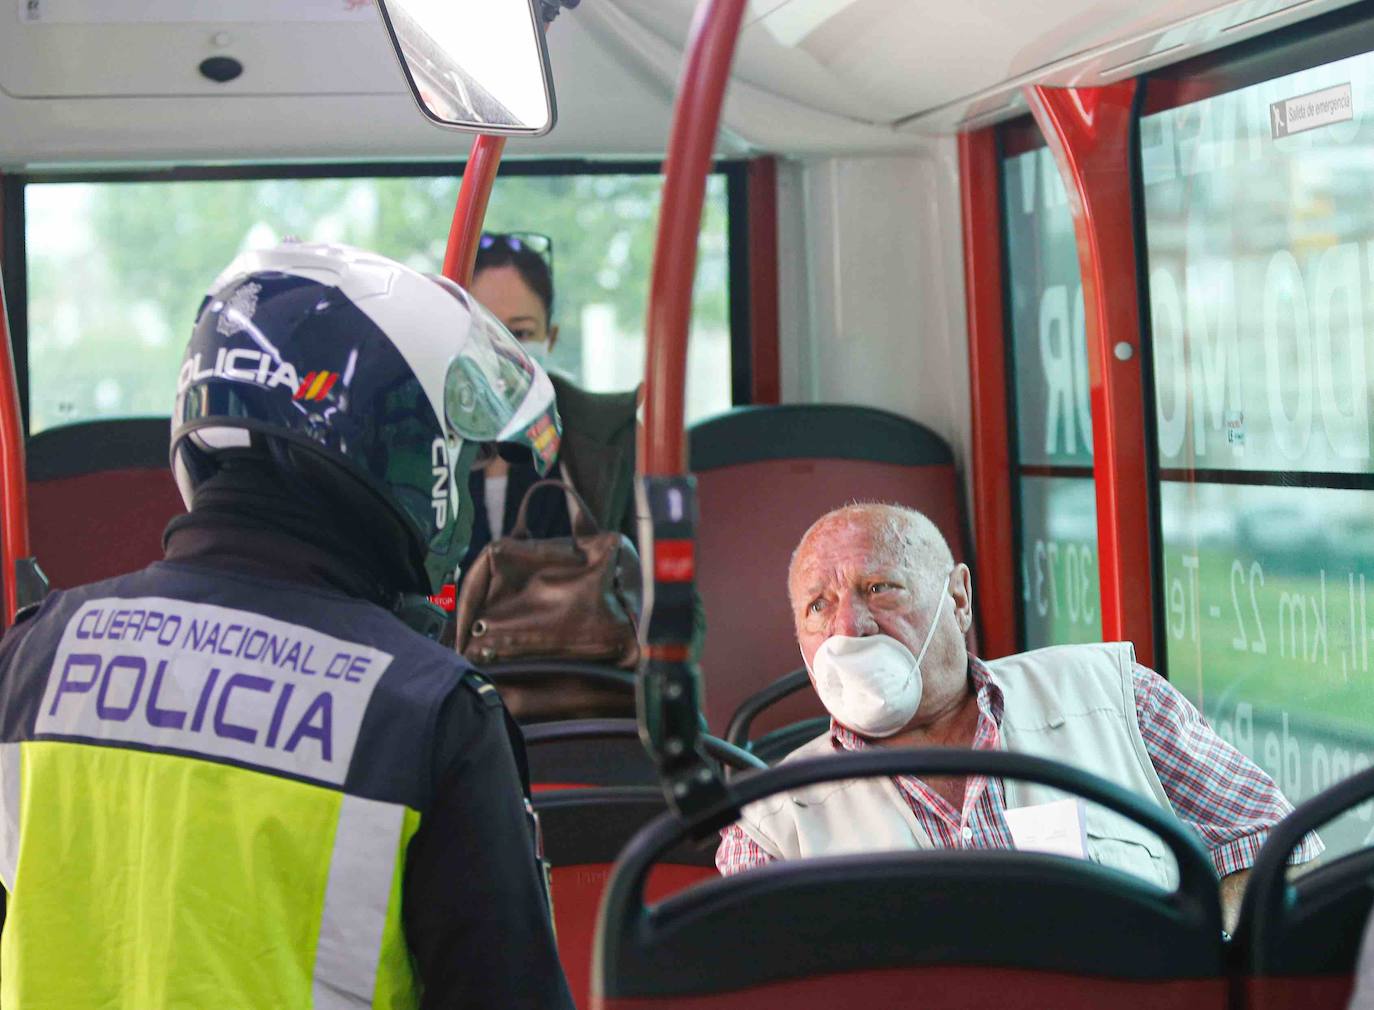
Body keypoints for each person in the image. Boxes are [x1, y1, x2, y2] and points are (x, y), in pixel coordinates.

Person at [0, 242, 575, 1009]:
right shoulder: (427, 710)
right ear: (397, 448)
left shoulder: (31, 656)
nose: (465, 505)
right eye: (462, 464)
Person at [716, 502, 1321, 931]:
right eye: (818, 606)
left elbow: (1270, 845)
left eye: (880, 588)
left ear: (958, 599)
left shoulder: (1116, 699)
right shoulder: (767, 827)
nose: (851, 626)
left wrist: (1203, 960)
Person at [463, 231, 638, 572]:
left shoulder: (609, 437)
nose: (504, 352)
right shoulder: (418, 439)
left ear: (551, 337)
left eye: (522, 333)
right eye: (485, 332)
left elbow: (658, 590)